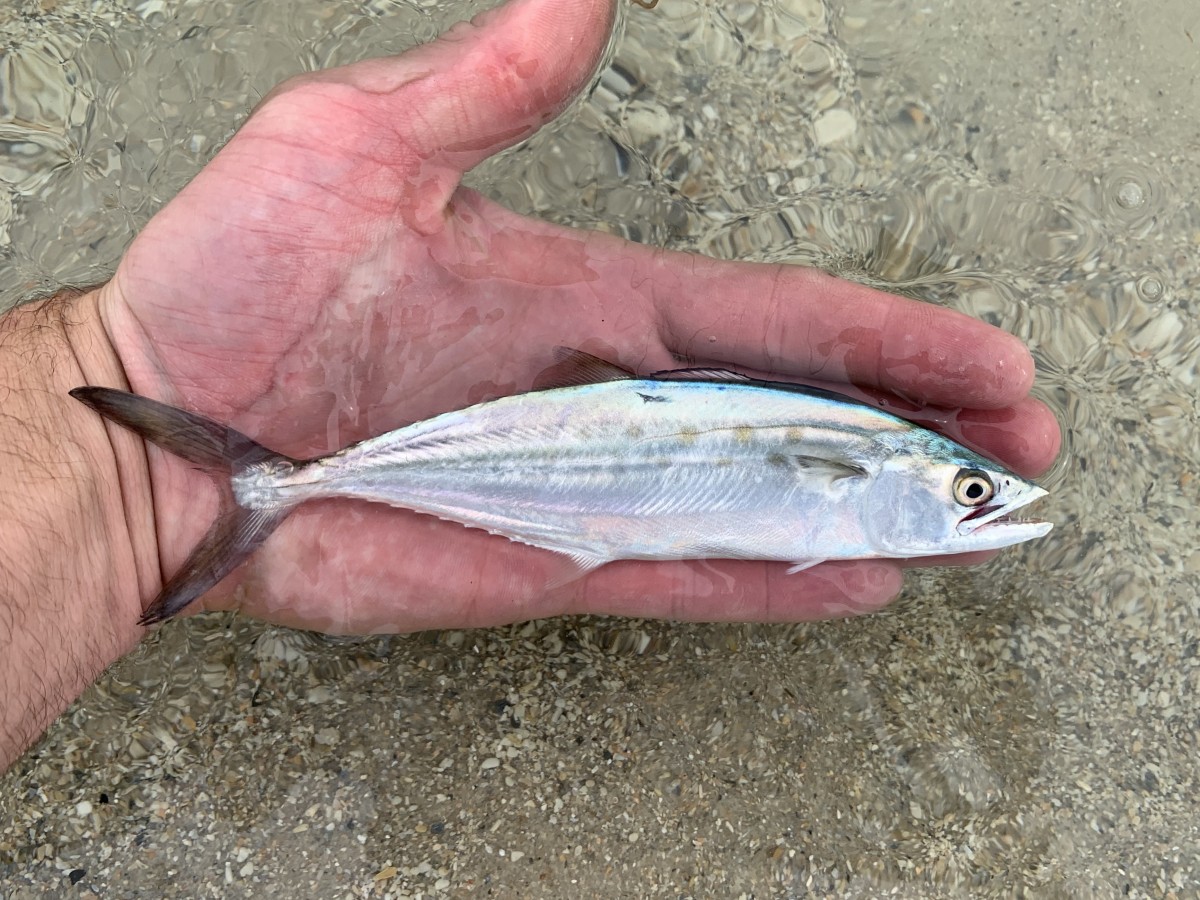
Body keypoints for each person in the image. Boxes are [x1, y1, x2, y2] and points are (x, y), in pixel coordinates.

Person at [0, 0, 1059, 774]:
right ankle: (254, 484)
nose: (988, 503)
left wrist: (106, 440)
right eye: (971, 492)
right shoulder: (853, 455)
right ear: (879, 470)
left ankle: (248, 483)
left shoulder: (856, 477)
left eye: (975, 494)